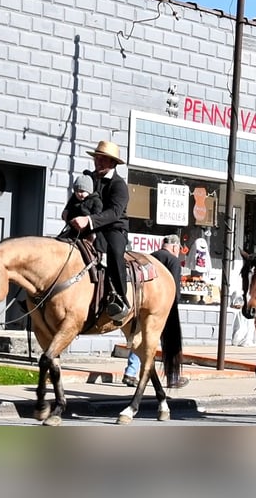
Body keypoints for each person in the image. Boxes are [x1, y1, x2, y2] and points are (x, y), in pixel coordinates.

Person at [68, 140, 131, 322]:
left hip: (113, 228)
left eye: (102, 159)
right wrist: (68, 211)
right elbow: (77, 198)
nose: (98, 162)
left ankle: (121, 301)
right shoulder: (89, 179)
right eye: (97, 158)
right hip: (86, 224)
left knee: (115, 252)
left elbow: (114, 213)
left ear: (112, 163)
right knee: (60, 243)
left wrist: (88, 220)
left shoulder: (119, 185)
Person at [123, 234, 190, 389]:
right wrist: (175, 303)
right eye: (178, 250)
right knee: (169, 341)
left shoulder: (150, 257)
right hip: (162, 306)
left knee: (140, 338)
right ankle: (172, 377)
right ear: (175, 247)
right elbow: (172, 285)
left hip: (142, 302)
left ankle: (130, 373)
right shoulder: (173, 261)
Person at [60, 173, 103, 242]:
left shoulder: (96, 201)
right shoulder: (73, 199)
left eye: (82, 191)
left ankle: (100, 252)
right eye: (76, 191)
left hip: (90, 232)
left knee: (97, 243)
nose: (79, 194)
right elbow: (68, 211)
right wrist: (65, 214)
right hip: (74, 230)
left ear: (89, 191)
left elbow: (97, 216)